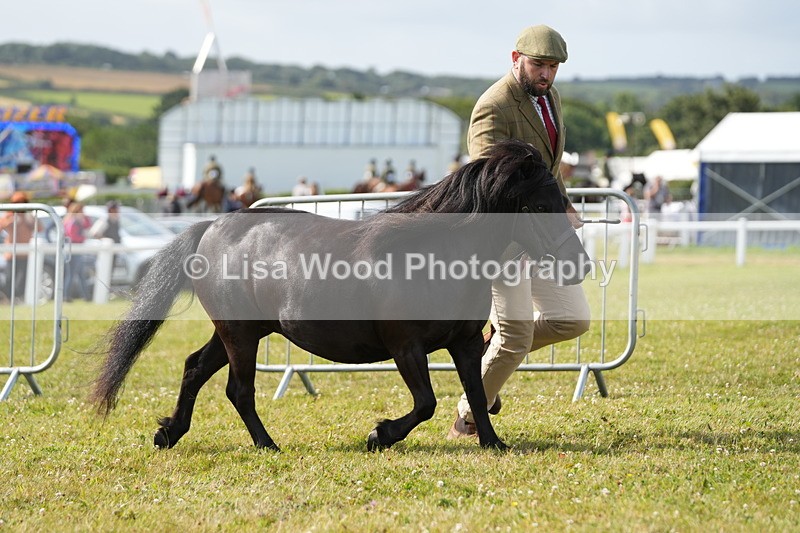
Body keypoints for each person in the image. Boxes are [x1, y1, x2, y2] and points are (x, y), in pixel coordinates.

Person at [448, 24, 591, 439]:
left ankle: (491, 348)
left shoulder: (550, 97)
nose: (546, 74)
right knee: (516, 338)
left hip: (543, 234)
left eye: (553, 67)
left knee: (572, 320)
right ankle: (467, 419)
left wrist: (562, 204)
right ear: (516, 59)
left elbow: (547, 167)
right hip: (505, 242)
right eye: (539, 65)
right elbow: (487, 183)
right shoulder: (493, 106)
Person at [0, 191, 35, 301]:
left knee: (22, 280)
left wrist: (29, 220)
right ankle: (9, 299)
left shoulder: (29, 216)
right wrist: (10, 222)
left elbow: (40, 228)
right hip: (11, 254)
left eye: (22, 202)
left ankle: (18, 299)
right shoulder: (9, 215)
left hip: (24, 254)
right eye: (17, 203)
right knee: (9, 279)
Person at [63, 202, 92, 302]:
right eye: (82, 211)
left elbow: (88, 224)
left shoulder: (75, 220)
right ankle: (66, 296)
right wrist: (83, 238)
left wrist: (85, 218)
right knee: (72, 274)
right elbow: (73, 236)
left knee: (79, 274)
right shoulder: (73, 222)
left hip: (75, 250)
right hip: (73, 251)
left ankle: (85, 296)